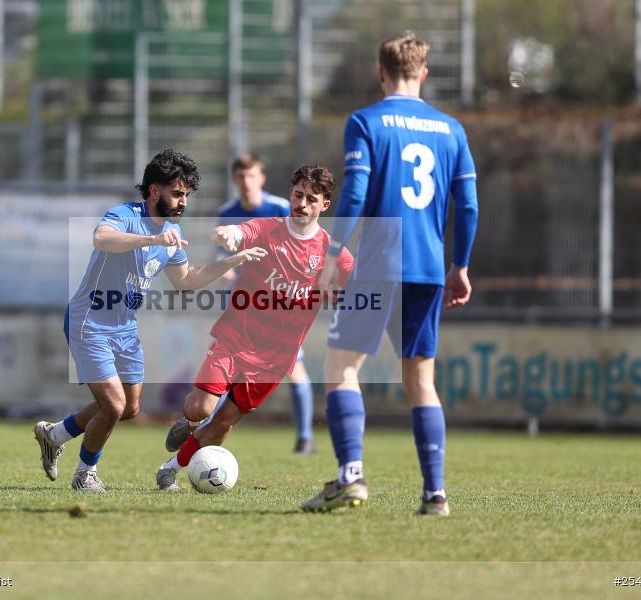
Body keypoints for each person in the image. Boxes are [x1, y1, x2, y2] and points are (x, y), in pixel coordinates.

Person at [300, 33, 479, 515]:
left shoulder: (366, 121)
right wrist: (459, 264)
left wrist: (332, 253)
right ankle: (435, 494)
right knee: (421, 380)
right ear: (424, 73)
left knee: (341, 369)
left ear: (381, 73)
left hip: (379, 264)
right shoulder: (451, 130)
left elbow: (355, 193)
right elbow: (468, 204)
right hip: (428, 267)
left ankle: (350, 476)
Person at [33, 149, 267, 493]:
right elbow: (101, 238)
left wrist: (233, 260)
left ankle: (55, 435)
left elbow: (186, 280)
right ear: (154, 190)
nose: (182, 201)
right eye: (176, 193)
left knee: (128, 408)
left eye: (186, 194)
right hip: (90, 321)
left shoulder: (171, 236)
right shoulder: (126, 215)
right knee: (112, 404)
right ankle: (85, 475)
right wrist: (151, 238)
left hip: (125, 327)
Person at [156, 165, 354, 491]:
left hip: (275, 358)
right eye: (297, 195)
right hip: (236, 337)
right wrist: (228, 235)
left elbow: (358, 285)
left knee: (224, 422)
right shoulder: (268, 228)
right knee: (200, 407)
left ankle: (169, 469)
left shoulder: (333, 255)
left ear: (324, 206)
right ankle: (190, 422)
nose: (301, 203)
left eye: (311, 198)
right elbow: (237, 233)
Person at [212, 153, 317, 455]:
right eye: (241, 176)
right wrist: (224, 266)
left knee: (293, 369)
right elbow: (223, 250)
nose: (247, 182)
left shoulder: (280, 208)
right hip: (242, 305)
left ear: (262, 178)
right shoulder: (227, 212)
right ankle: (208, 432)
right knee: (226, 369)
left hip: (278, 306)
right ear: (235, 180)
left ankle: (305, 437)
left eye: (252, 175)